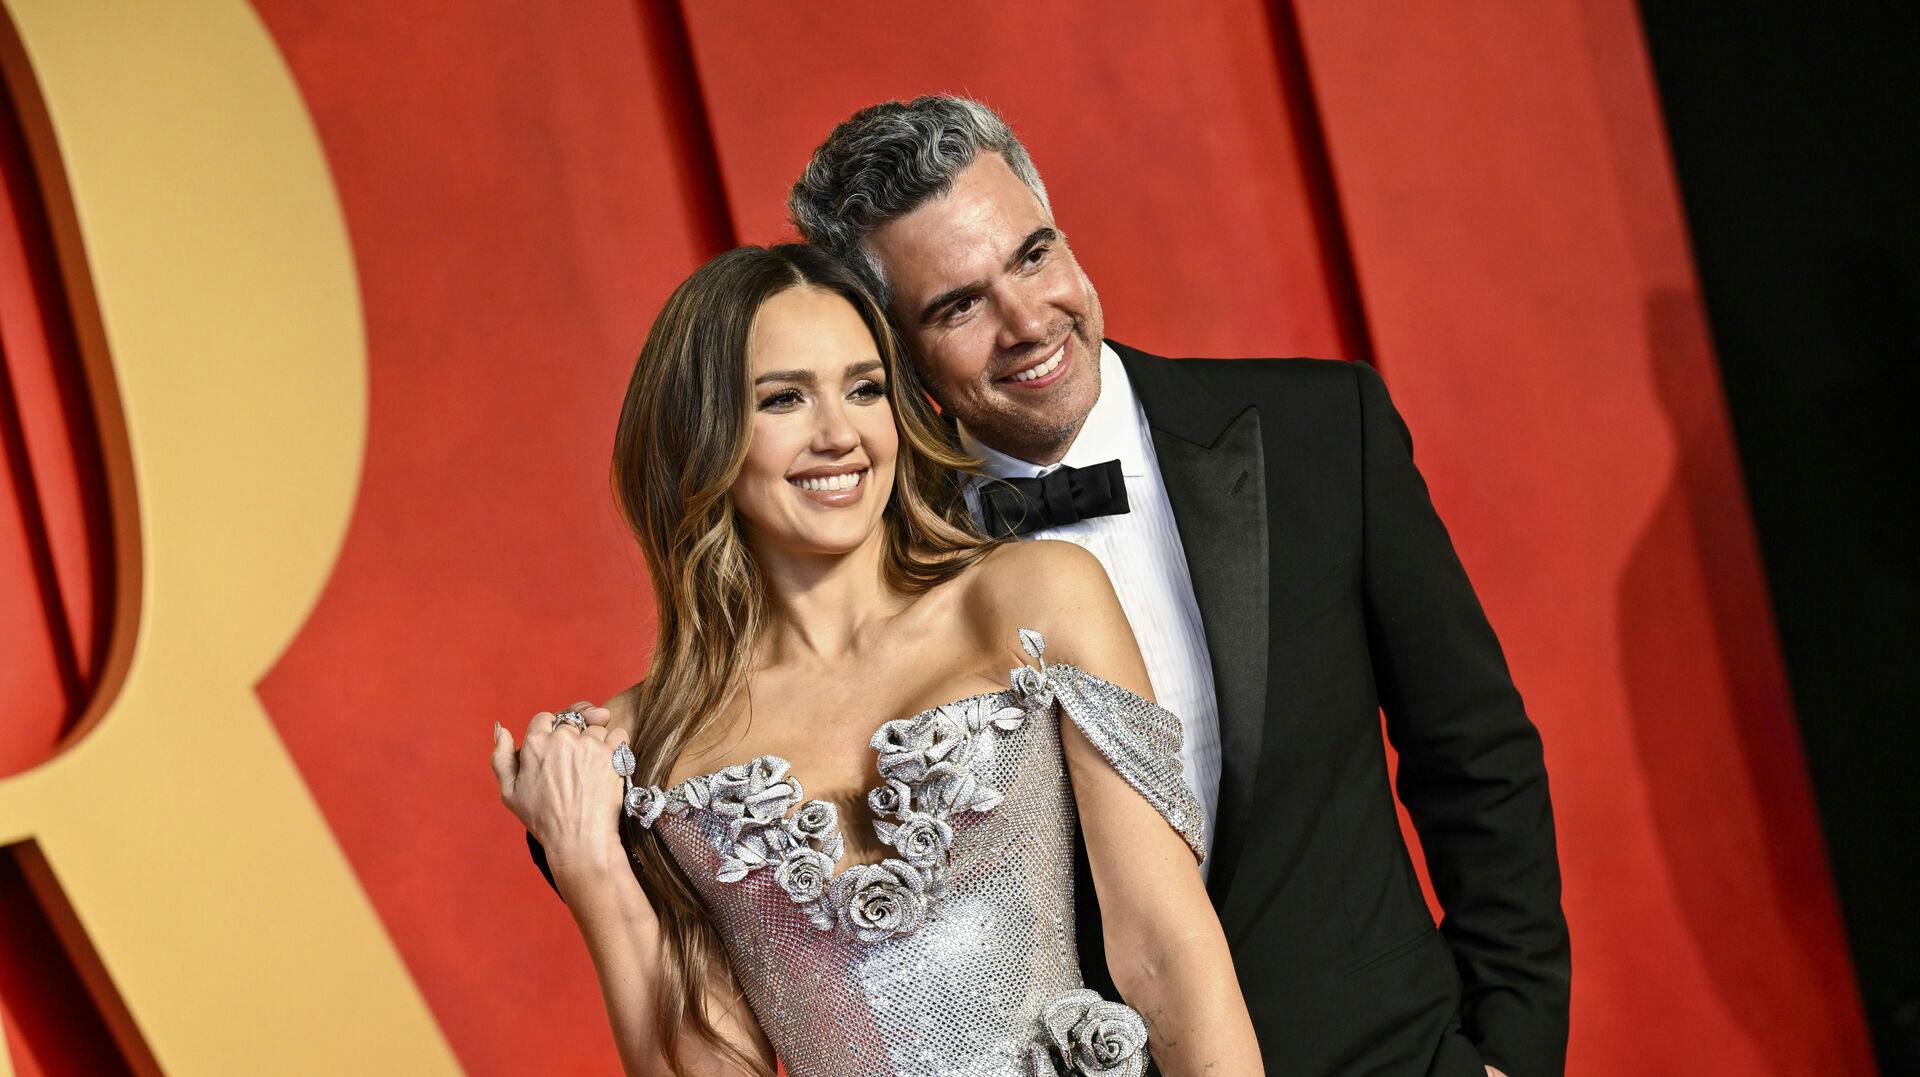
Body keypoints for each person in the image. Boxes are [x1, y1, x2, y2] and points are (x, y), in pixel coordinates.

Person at [785, 97, 1572, 1077]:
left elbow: (1477, 760)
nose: (1029, 322)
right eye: (960, 306)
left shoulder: (1321, 431)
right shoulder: (871, 570)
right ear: (892, 351)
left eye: (1033, 255)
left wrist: (1513, 1052)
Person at [491, 243, 1262, 1076]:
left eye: (865, 389)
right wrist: (590, 866)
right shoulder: (648, 743)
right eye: (783, 398)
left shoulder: (1033, 599)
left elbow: (1167, 953)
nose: (840, 434)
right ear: (699, 434)